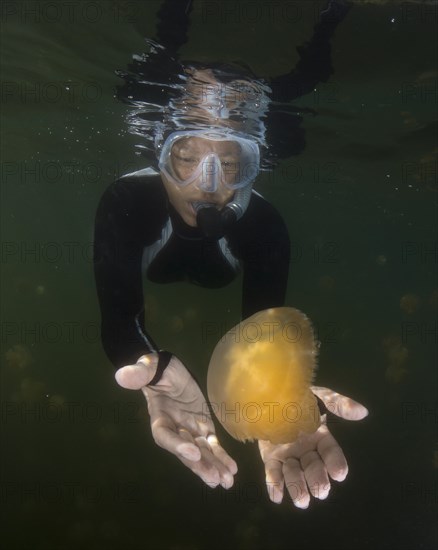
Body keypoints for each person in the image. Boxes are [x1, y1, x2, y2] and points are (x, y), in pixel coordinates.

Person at [93, 0, 368, 508]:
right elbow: (118, 318)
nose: (209, 185)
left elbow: (261, 337)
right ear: (160, 152)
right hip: (181, 263)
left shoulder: (264, 228)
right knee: (166, 33)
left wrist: (278, 410)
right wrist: (146, 368)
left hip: (215, 269)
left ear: (252, 164)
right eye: (187, 158)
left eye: (229, 162)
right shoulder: (127, 203)